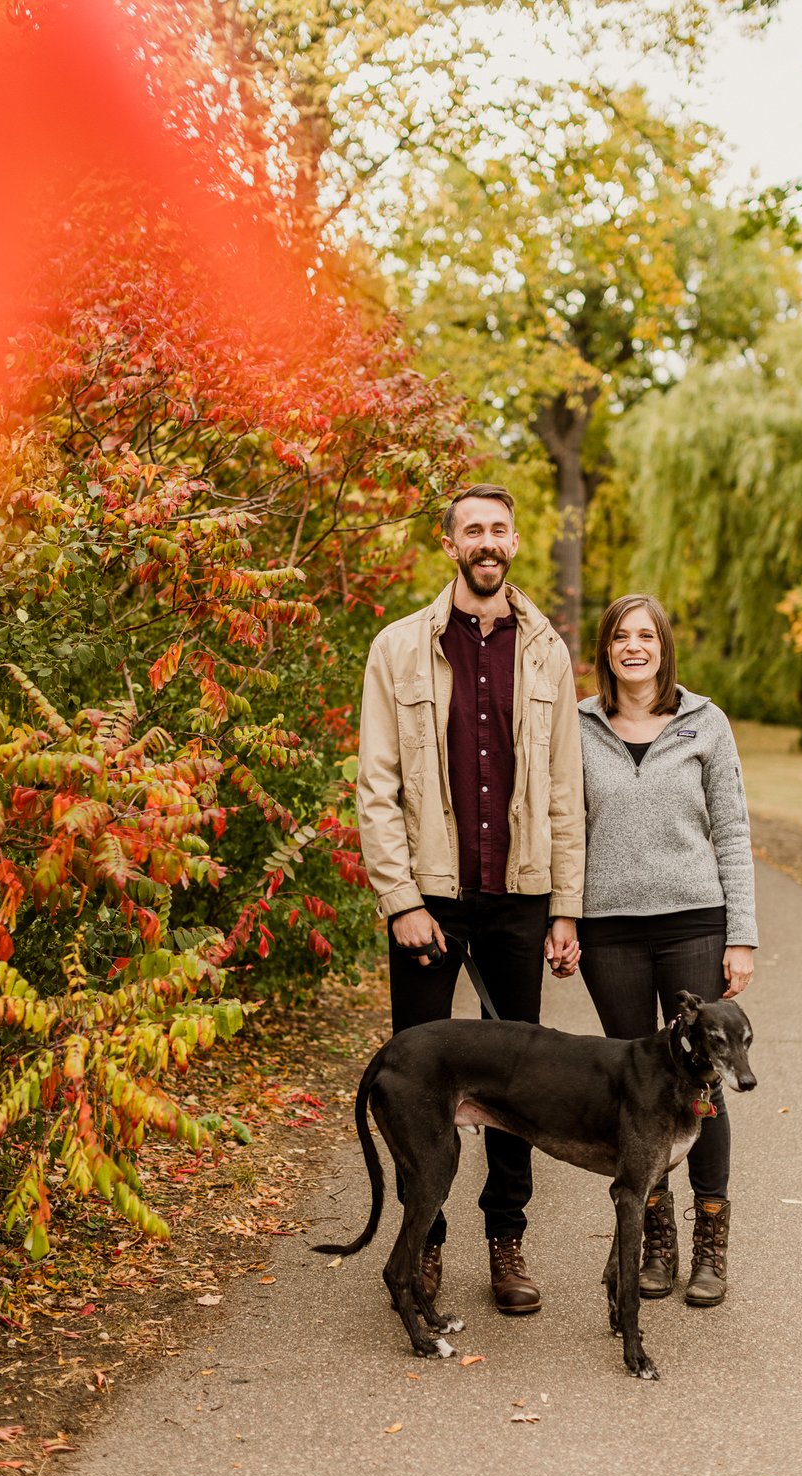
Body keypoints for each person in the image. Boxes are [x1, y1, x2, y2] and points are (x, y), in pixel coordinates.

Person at [356, 482, 585, 1315]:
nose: (487, 542)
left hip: (519, 898)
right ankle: (426, 1248)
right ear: (449, 544)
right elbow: (376, 786)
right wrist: (400, 898)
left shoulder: (547, 651)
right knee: (419, 1082)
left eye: (499, 529)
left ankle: (507, 1240)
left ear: (515, 542)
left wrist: (565, 908)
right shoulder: (399, 649)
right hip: (430, 900)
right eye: (472, 530)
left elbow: (564, 787)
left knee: (518, 1087)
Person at [577, 593, 757, 1307]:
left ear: (663, 646)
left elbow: (735, 831)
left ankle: (710, 1236)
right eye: (621, 636)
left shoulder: (705, 723)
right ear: (606, 649)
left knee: (703, 1089)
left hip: (694, 924)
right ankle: (655, 1240)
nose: (634, 646)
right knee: (637, 1096)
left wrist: (740, 934)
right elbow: (565, 827)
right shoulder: (581, 726)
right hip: (611, 931)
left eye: (646, 635)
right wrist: (566, 918)